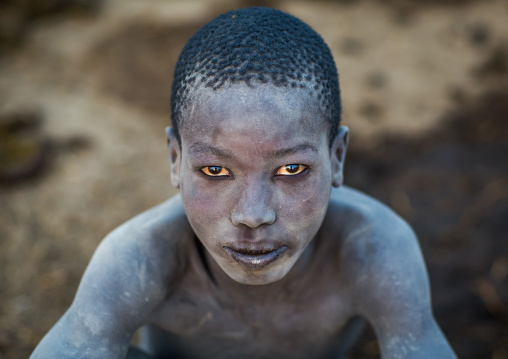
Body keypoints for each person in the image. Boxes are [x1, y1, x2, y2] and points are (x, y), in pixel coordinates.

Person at [31, 7, 457, 359]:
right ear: (176, 160)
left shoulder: (372, 249)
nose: (253, 215)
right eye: (216, 171)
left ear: (337, 157)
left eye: (291, 170)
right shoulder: (140, 260)